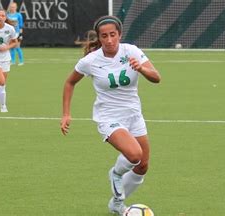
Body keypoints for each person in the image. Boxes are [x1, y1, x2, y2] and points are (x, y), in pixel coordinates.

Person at [60, 16, 161, 215]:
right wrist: (66, 114)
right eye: (104, 36)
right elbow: (69, 82)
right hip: (108, 117)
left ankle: (116, 204)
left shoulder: (131, 51)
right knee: (134, 154)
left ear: (119, 35)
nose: (109, 40)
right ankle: (116, 174)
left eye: (113, 35)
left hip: (133, 115)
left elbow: (157, 78)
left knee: (142, 166)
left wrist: (141, 68)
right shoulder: (90, 61)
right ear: (99, 38)